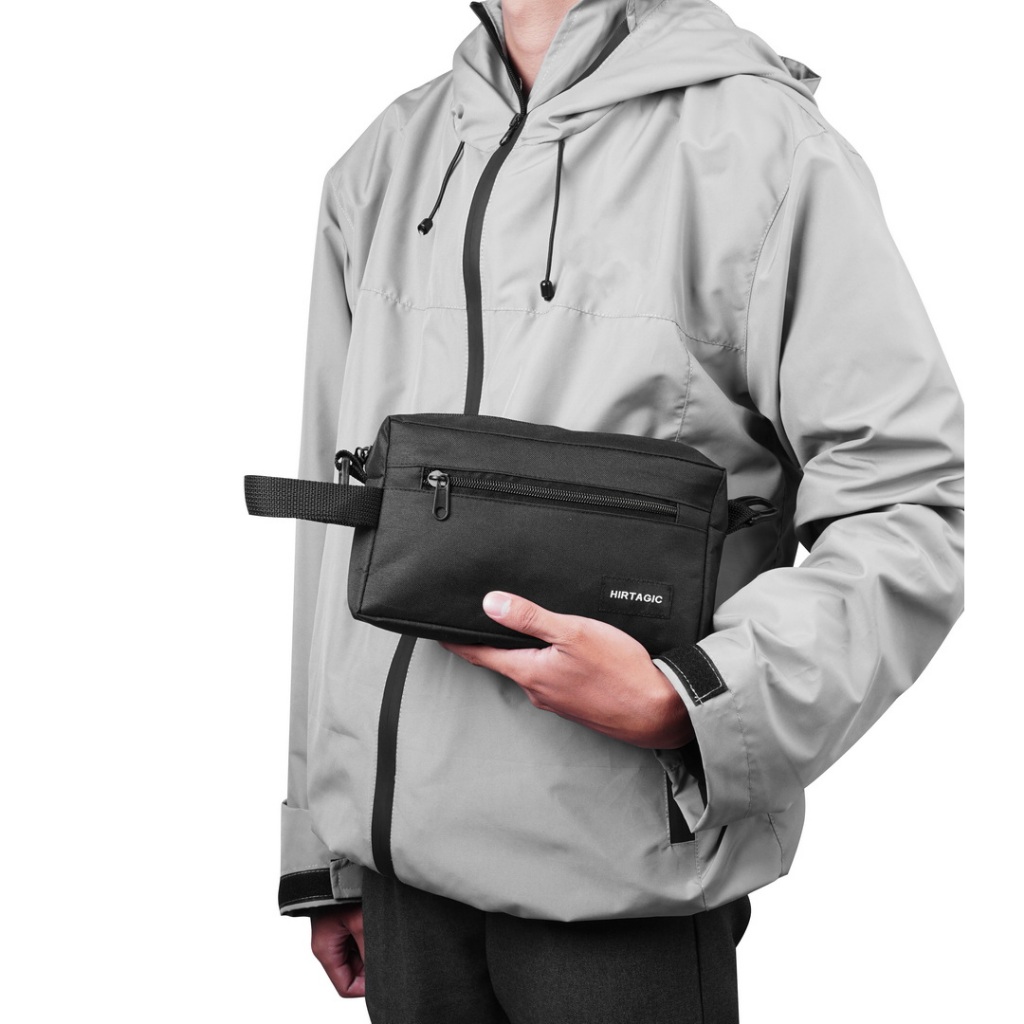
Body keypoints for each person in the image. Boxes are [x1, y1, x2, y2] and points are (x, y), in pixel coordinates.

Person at [272, 1, 964, 1021]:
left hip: (617, 882)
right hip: (398, 878)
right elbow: (335, 522)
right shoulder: (385, 160)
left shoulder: (763, 149)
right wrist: (320, 845)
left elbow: (904, 506)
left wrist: (696, 699)